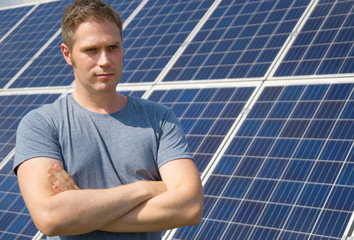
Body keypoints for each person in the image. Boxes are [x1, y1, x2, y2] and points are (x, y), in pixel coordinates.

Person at [13, 0, 203, 239]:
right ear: (67, 54)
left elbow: (190, 207)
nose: (105, 60)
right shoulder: (41, 124)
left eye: (113, 47)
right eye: (91, 50)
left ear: (123, 47)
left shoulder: (159, 119)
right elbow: (51, 218)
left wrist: (83, 210)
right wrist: (150, 188)